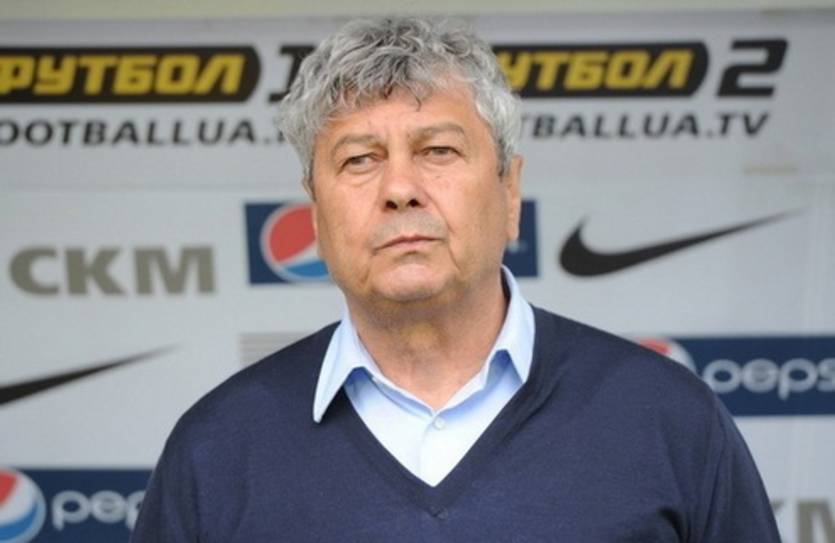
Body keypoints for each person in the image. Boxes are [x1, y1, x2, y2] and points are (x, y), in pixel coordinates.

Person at [132, 17, 780, 542]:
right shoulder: (216, 449)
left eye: (437, 150)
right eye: (359, 159)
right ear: (316, 213)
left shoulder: (667, 418)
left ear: (509, 190)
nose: (400, 188)